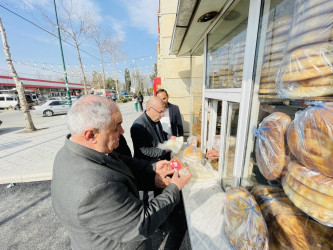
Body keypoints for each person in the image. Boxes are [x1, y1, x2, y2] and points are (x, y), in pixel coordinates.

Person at [51, 95, 191, 250]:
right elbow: (142, 224)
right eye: (116, 127)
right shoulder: (94, 189)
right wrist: (174, 188)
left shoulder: (75, 150)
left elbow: (120, 161)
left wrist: (153, 170)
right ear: (90, 135)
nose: (122, 131)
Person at [131, 96, 170, 162]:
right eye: (160, 111)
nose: (162, 115)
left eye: (163, 111)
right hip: (149, 164)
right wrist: (163, 151)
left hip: (161, 158)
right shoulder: (138, 126)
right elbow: (143, 150)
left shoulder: (155, 117)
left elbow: (159, 133)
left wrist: (170, 137)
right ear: (149, 109)